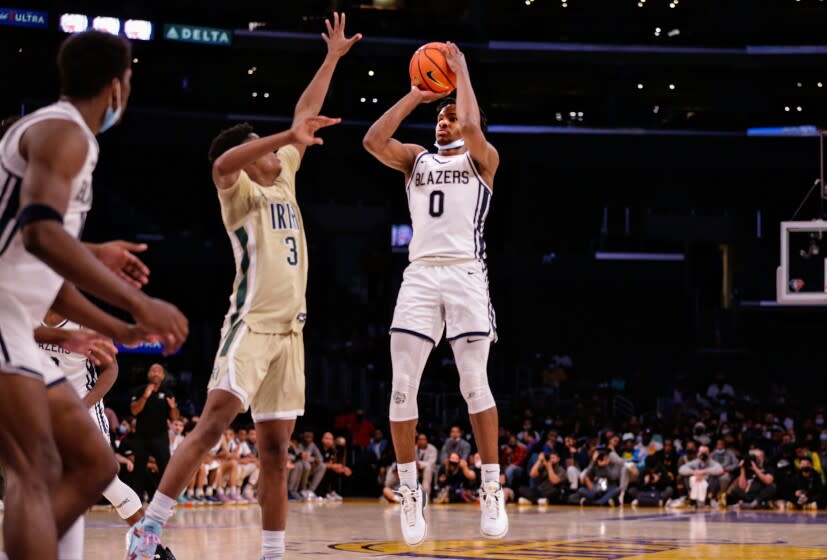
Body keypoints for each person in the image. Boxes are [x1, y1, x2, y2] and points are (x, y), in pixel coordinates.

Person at [125, 13, 361, 560]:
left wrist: (332, 58)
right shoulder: (239, 194)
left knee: (276, 451)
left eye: (276, 150)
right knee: (213, 423)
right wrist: (280, 136)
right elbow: (224, 160)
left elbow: (304, 114)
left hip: (291, 336)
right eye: (266, 150)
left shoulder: (283, 177)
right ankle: (149, 528)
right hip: (250, 326)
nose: (277, 155)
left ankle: (273, 554)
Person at [0, 30, 188, 560]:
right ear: (115, 86)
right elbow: (41, 232)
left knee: (94, 464)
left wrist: (118, 328)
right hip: (3, 318)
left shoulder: (64, 135)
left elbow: (42, 262)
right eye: (128, 81)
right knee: (36, 470)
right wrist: (138, 303)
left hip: (14, 317)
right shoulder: (66, 133)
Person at [363, 41, 507, 545]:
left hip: (466, 273)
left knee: (473, 382)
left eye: (451, 116)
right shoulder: (416, 161)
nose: (444, 123)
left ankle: (492, 486)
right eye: (440, 118)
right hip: (420, 275)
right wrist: (413, 95)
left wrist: (461, 71)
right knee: (402, 384)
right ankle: (408, 492)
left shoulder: (483, 159)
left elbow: (471, 126)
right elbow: (373, 140)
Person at [39, 310, 144, 526]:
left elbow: (111, 368)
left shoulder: (86, 321)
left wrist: (82, 405)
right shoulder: (28, 313)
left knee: (105, 481)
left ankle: (151, 547)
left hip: (82, 407)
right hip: (41, 409)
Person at [129, 363, 180, 501]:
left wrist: (172, 407)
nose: (155, 373)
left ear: (163, 375)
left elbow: (175, 417)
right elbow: (134, 411)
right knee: (139, 468)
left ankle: (166, 498)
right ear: (148, 374)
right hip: (141, 436)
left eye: (159, 371)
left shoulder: (168, 393)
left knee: (165, 468)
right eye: (153, 370)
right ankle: (137, 498)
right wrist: (145, 396)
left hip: (160, 436)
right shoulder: (139, 391)